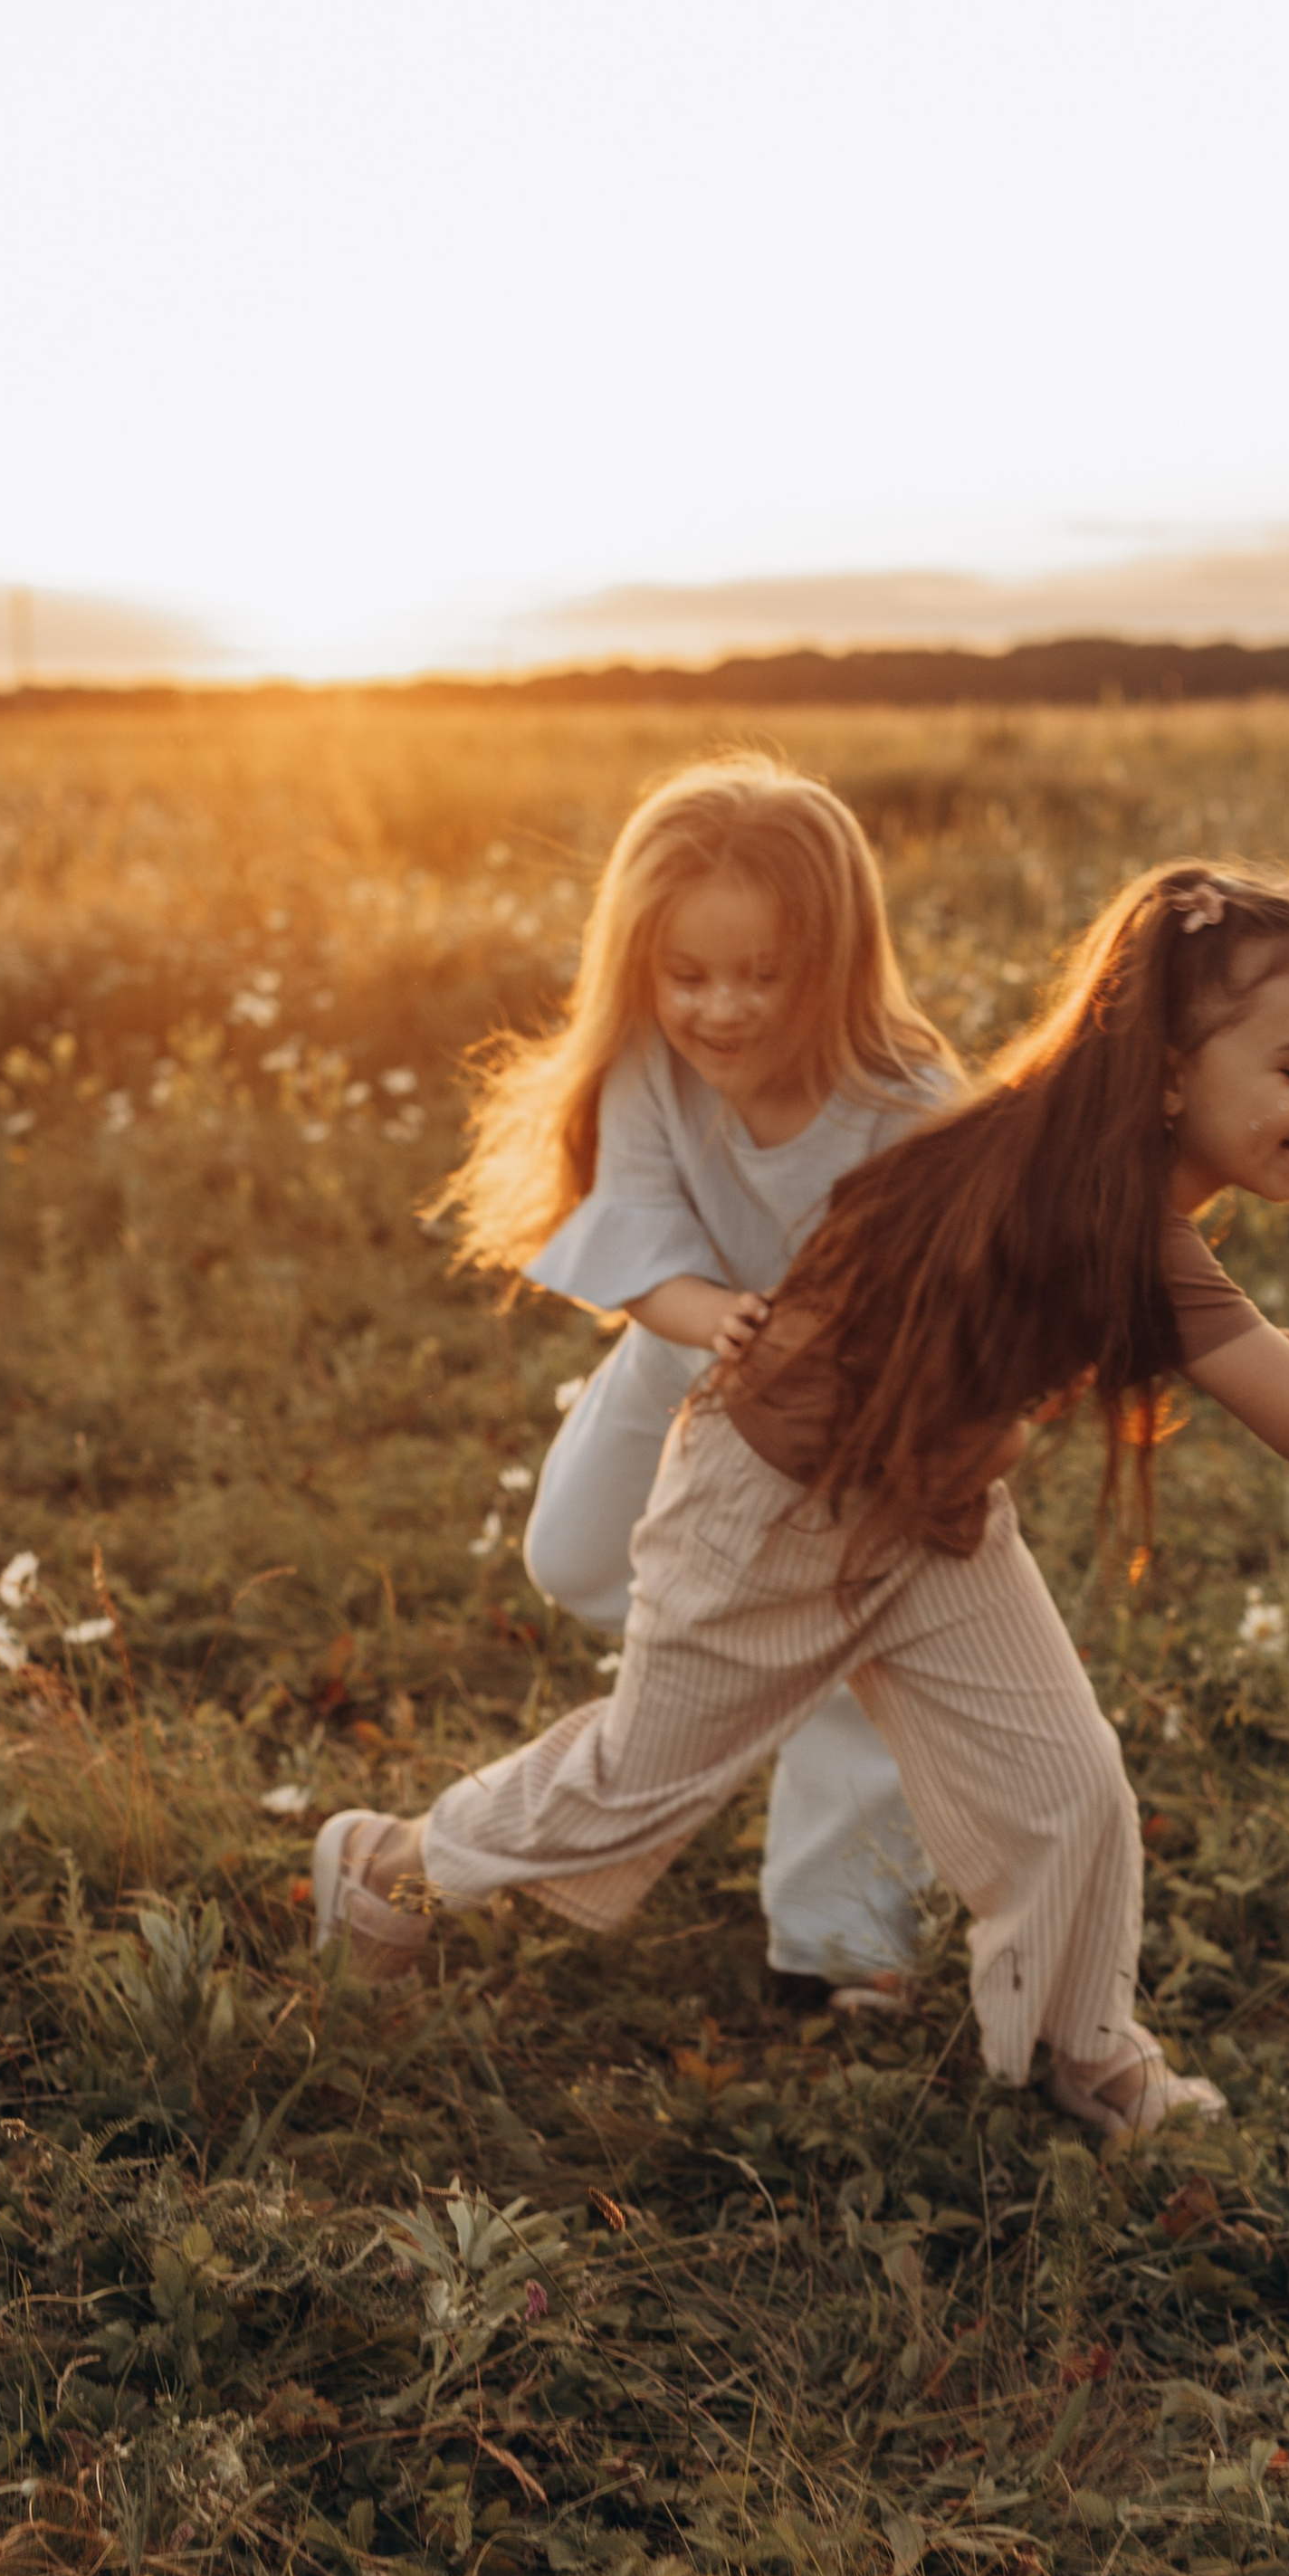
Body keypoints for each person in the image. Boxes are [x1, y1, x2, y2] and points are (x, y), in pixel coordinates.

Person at [321, 858, 1289, 2136]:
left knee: (1069, 1780)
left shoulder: (1075, 1170)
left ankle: (1081, 2047)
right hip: (770, 1501)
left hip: (929, 1517)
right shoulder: (1121, 1222)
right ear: (1169, 1069)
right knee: (640, 1779)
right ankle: (387, 1866)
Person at [433, 751, 966, 2004]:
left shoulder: (906, 1101)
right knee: (570, 1555)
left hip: (848, 1435)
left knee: (854, 1656)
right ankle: (743, 1662)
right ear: (642, 968)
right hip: (682, 1368)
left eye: (762, 976)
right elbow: (638, 1244)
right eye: (688, 976)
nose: (721, 1009)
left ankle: (840, 1947)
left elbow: (950, 1292)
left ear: (832, 965)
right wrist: (725, 1319)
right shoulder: (649, 1076)